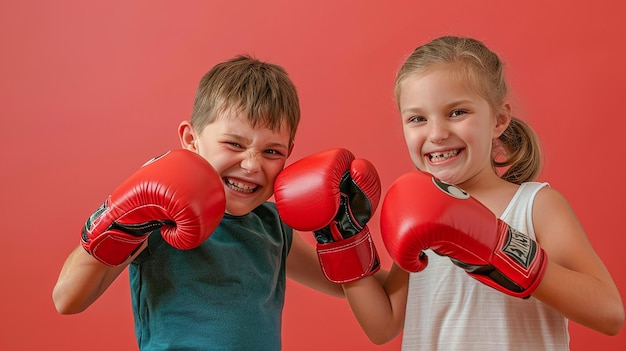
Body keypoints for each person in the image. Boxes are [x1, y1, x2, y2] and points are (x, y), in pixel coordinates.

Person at [52, 55, 384, 350]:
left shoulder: (272, 225)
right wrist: (121, 219)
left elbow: (346, 287)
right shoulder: (157, 214)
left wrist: (342, 233)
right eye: (233, 144)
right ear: (190, 140)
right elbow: (67, 299)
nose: (252, 165)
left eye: (272, 151)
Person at [339, 36, 625, 350]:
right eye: (417, 118)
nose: (437, 133)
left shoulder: (534, 206)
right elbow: (383, 325)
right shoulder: (418, 214)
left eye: (457, 112)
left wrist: (503, 251)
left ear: (500, 119)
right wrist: (342, 237)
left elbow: (609, 314)